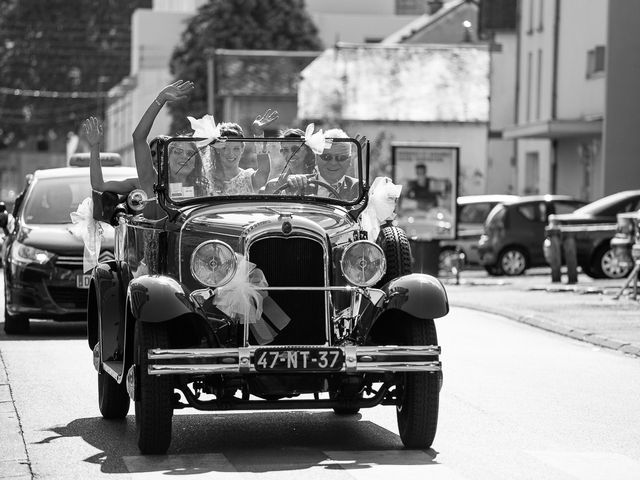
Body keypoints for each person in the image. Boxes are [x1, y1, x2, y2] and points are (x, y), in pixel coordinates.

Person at [133, 80, 195, 198]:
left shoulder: (204, 189)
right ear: (167, 158)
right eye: (177, 152)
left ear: (197, 162)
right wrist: (160, 99)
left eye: (190, 153)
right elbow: (138, 138)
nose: (184, 157)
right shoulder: (153, 183)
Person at [284, 128, 362, 200]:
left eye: (341, 158)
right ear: (317, 157)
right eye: (326, 157)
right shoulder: (301, 184)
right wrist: (292, 190)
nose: (333, 163)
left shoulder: (358, 189)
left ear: (349, 160)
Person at [209, 122, 270, 194]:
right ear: (217, 149)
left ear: (242, 148)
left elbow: (264, 171)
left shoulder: (248, 178)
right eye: (225, 148)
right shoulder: (206, 178)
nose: (231, 154)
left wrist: (259, 134)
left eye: (236, 149)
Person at [83, 116, 139, 194]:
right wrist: (95, 145)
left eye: (161, 154)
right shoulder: (139, 184)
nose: (158, 159)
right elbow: (98, 186)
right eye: (153, 154)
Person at [261, 128, 316, 194]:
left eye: (295, 149)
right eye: (285, 150)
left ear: (307, 151)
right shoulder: (272, 186)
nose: (290, 154)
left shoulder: (317, 182)